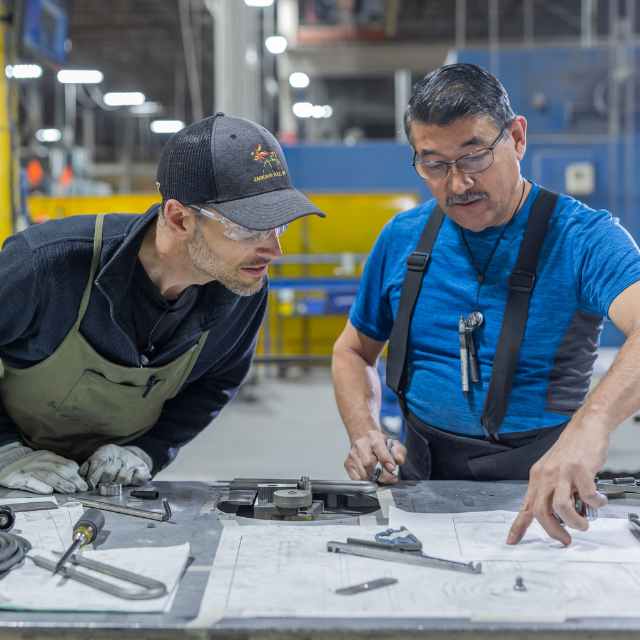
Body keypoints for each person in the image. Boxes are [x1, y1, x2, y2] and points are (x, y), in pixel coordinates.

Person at [332, 63, 640, 545]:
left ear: (516, 138)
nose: (457, 185)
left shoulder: (585, 239)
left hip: (540, 491)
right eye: (434, 164)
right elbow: (351, 351)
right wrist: (363, 428)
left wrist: (591, 426)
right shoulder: (402, 239)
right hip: (417, 483)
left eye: (474, 157)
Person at [0, 113, 325, 494]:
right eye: (249, 228)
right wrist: (5, 451)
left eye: (278, 226)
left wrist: (146, 451)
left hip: (108, 491)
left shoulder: (240, 287)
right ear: (179, 218)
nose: (274, 250)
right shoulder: (46, 265)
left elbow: (217, 382)